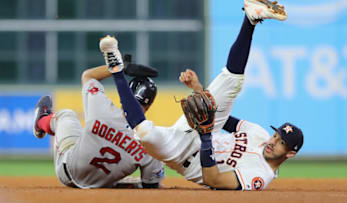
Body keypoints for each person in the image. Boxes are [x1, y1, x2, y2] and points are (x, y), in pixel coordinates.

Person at [104, 0, 304, 191]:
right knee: (233, 83)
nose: (272, 142)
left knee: (145, 133)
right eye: (276, 135)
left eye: (280, 143)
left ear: (290, 154)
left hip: (183, 154)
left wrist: (206, 136)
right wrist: (199, 90)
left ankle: (116, 69)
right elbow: (221, 118)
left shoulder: (259, 177)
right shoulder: (259, 134)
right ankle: (251, 19)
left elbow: (213, 179)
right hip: (199, 130)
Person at [32, 47, 164, 188]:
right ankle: (113, 182)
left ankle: (41, 120)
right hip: (101, 184)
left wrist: (120, 68)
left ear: (124, 95)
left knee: (66, 115)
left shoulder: (101, 107)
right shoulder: (151, 141)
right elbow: (151, 184)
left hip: (67, 172)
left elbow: (87, 76)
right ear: (149, 105)